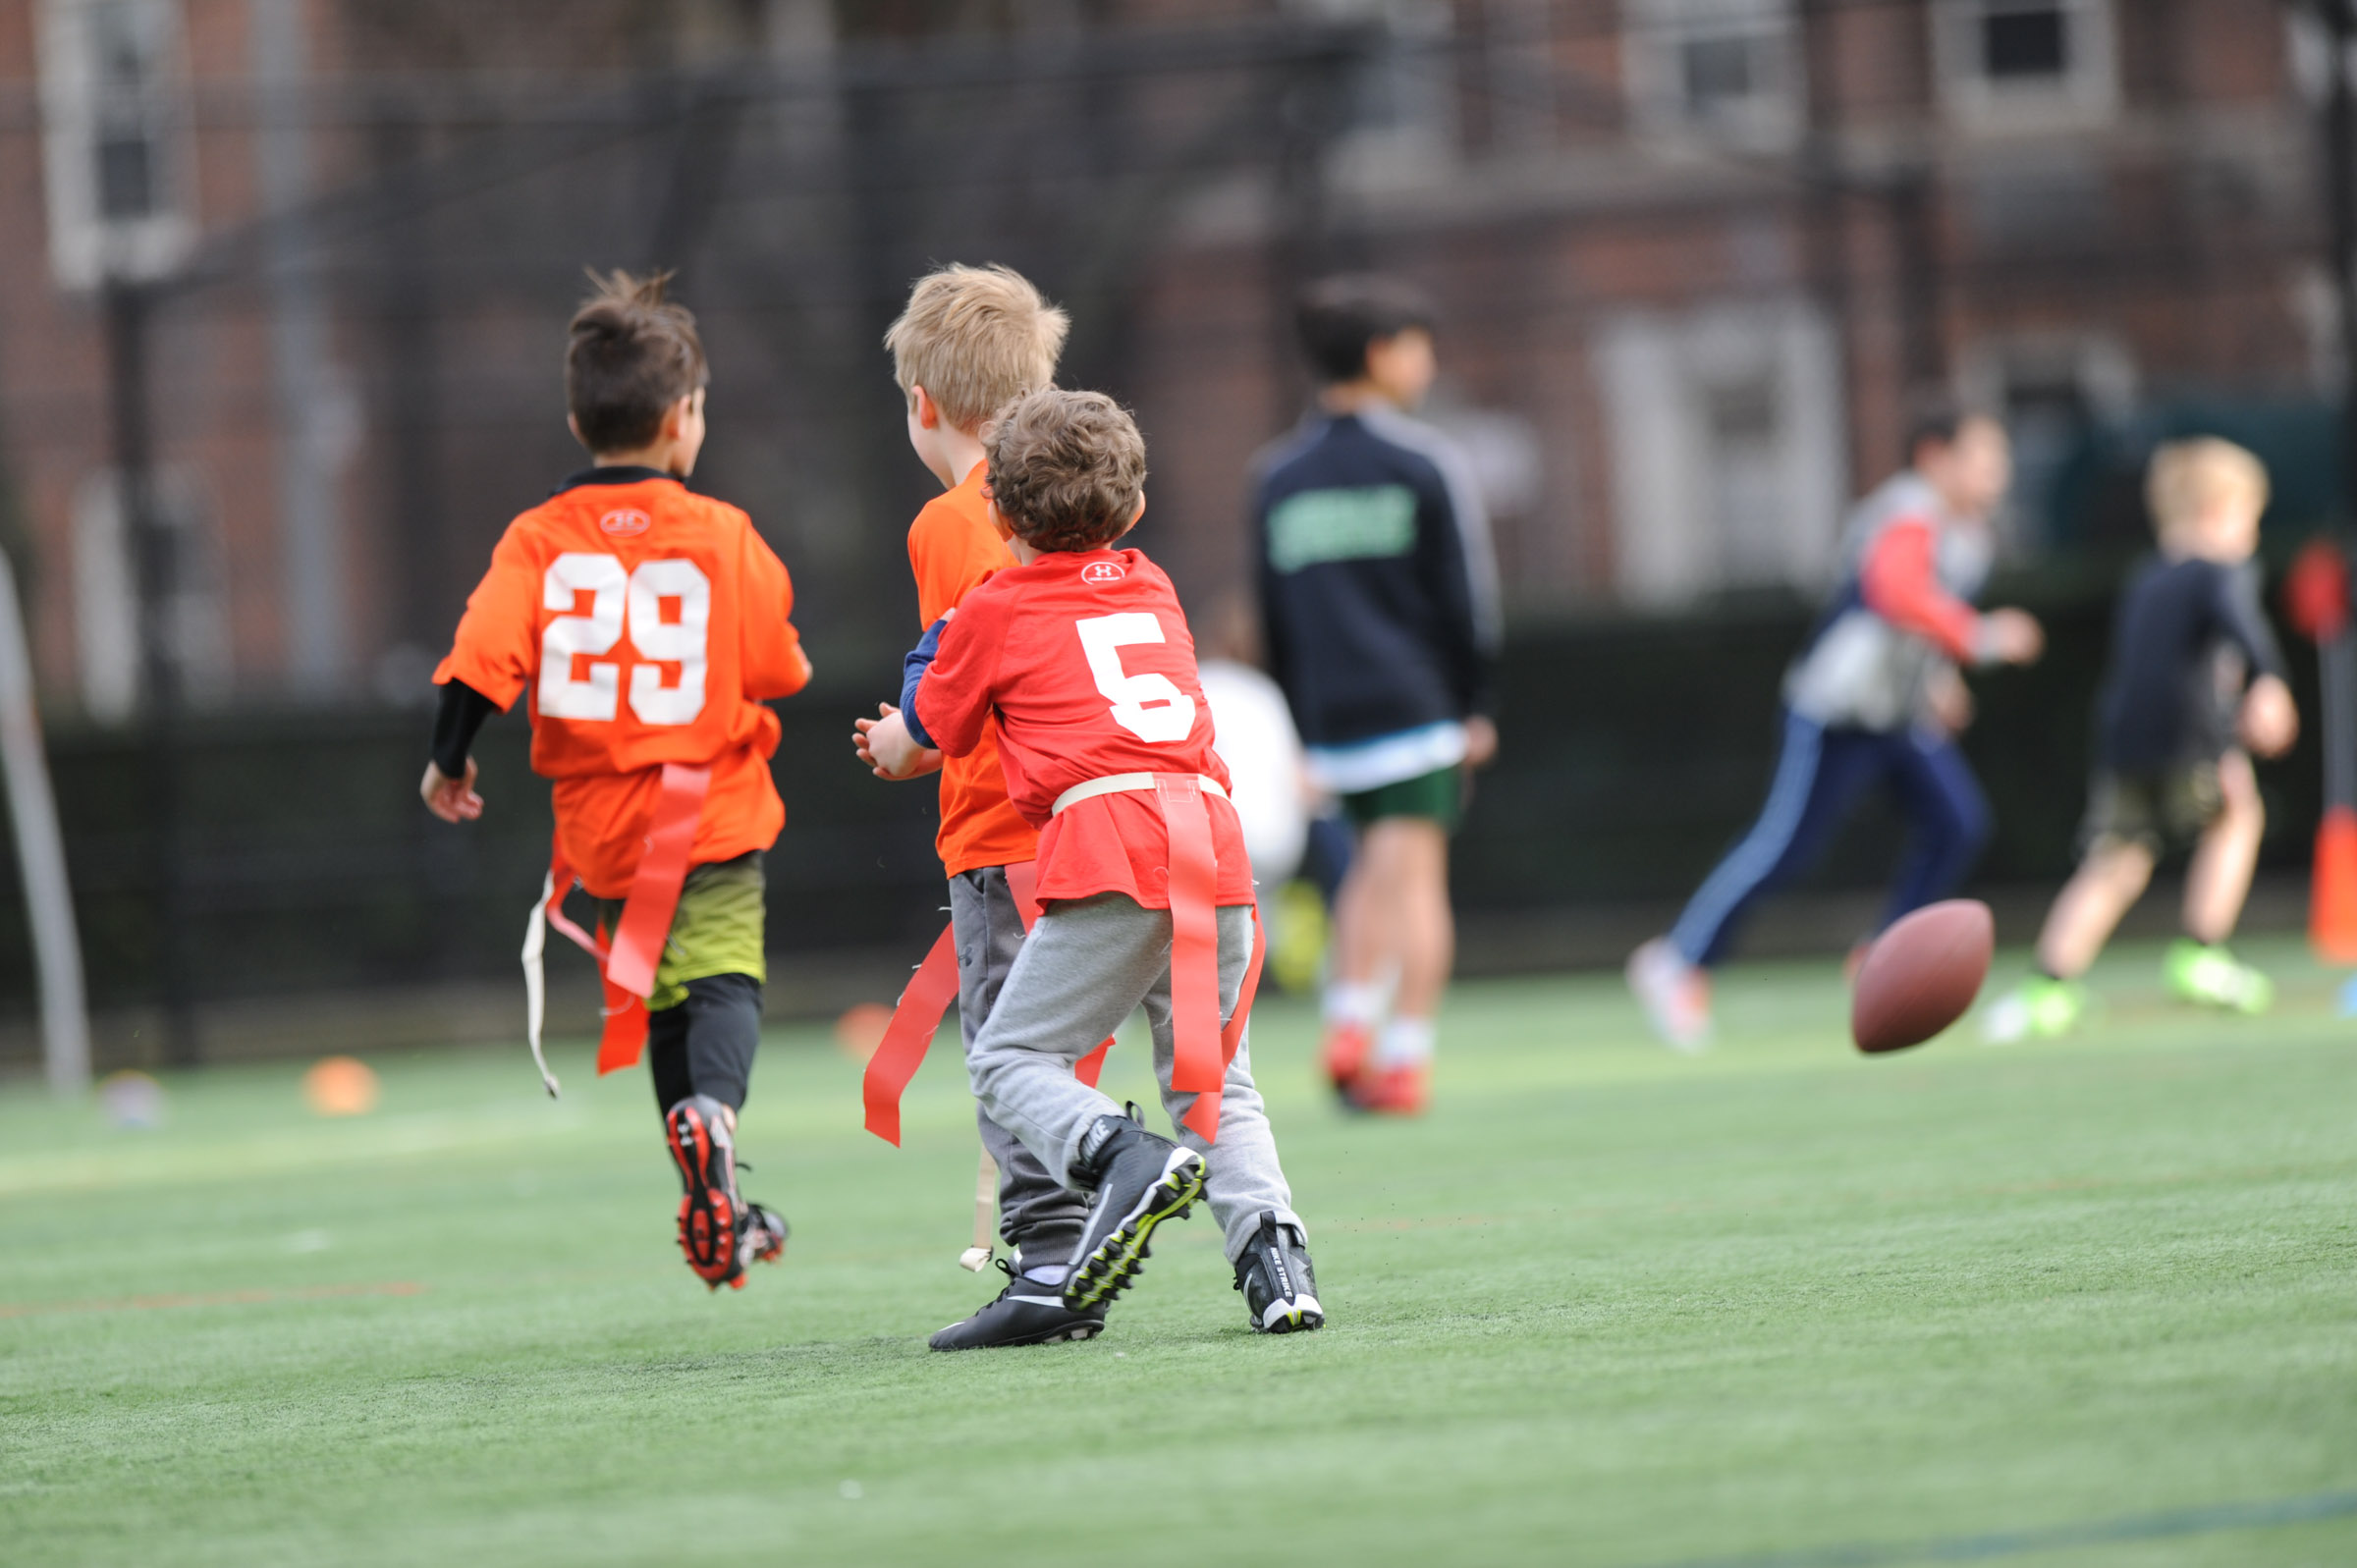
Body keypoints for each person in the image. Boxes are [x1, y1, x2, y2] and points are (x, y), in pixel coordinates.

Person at [860, 389, 1322, 1335]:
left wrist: (888, 736)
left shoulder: (993, 605)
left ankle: (1117, 1152)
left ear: (996, 512)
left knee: (1009, 1058)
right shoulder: (1153, 585)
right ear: (1135, 510)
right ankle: (1276, 1262)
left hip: (1112, 848)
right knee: (1214, 1074)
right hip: (1213, 839)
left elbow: (920, 743)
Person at [419, 271, 812, 1290]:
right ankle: (713, 1120)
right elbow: (779, 667)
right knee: (721, 980)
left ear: (574, 419)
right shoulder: (724, 533)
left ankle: (710, 1194)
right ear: (683, 419)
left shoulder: (538, 539)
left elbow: (479, 661)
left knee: (656, 997)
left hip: (606, 831)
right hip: (712, 810)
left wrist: (448, 759)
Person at [1627, 402, 2045, 1051]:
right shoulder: (1908, 509)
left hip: (1895, 715)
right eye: (1984, 457)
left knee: (1958, 822)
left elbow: (1910, 629)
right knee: (1783, 848)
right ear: (1935, 456)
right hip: (1838, 711)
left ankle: (1883, 957)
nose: (1998, 472)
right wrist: (1980, 637)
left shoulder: (1971, 536)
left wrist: (1938, 682)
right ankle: (1677, 962)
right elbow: (1893, 592)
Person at [856, 262, 1104, 1351]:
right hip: (1101, 819)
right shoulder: (1077, 500)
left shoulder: (949, 520)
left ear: (923, 404)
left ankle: (1050, 1259)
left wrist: (905, 738)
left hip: (1003, 831)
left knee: (1007, 1053)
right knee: (1068, 1048)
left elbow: (956, 676)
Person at [1253, 275, 1502, 1116]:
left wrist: (1301, 726)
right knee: (1418, 878)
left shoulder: (1277, 478)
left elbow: (1274, 619)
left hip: (1331, 718)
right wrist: (1476, 704)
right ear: (1381, 354)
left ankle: (1347, 1021)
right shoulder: (1423, 462)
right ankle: (1405, 1058)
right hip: (1420, 706)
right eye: (1417, 347)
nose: (1425, 364)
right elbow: (1466, 599)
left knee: (1367, 869)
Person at [1985, 438, 2298, 1041]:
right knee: (2238, 817)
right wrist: (2270, 682)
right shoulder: (2219, 570)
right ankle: (2201, 952)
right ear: (2217, 512)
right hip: (2193, 735)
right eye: (2249, 521)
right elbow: (2244, 627)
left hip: (2123, 743)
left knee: (2116, 862)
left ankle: (2047, 988)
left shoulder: (2144, 577)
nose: (2252, 538)